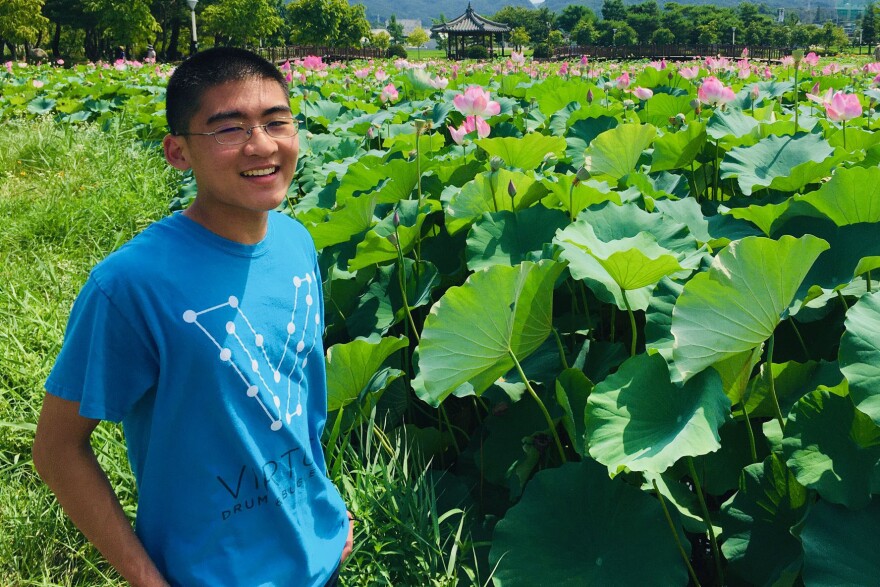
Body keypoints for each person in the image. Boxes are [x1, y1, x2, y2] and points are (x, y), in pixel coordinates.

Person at [32, 47, 353, 586]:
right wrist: (148, 580)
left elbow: (298, 405)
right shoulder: (130, 284)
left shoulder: (297, 242)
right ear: (177, 151)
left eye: (277, 121)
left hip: (320, 555)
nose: (262, 145)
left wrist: (329, 508)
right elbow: (56, 449)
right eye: (229, 129)